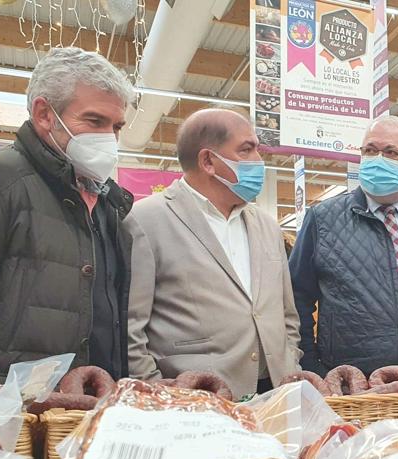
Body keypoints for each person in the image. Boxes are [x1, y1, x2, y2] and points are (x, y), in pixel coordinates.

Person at [0, 47, 135, 379]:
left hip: (84, 408)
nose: (108, 137)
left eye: (116, 126)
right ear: (45, 114)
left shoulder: (109, 205)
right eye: (94, 120)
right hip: (0, 408)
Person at [126, 108, 301, 399]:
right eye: (247, 150)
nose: (259, 161)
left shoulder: (267, 226)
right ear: (208, 161)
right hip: (195, 397)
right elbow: (131, 327)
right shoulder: (146, 220)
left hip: (274, 392)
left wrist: (289, 361)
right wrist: (156, 390)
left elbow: (287, 314)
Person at [289, 116, 398, 380]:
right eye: (370, 150)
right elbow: (296, 297)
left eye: (391, 152)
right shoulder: (323, 218)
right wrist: (312, 366)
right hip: (349, 382)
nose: (377, 159)